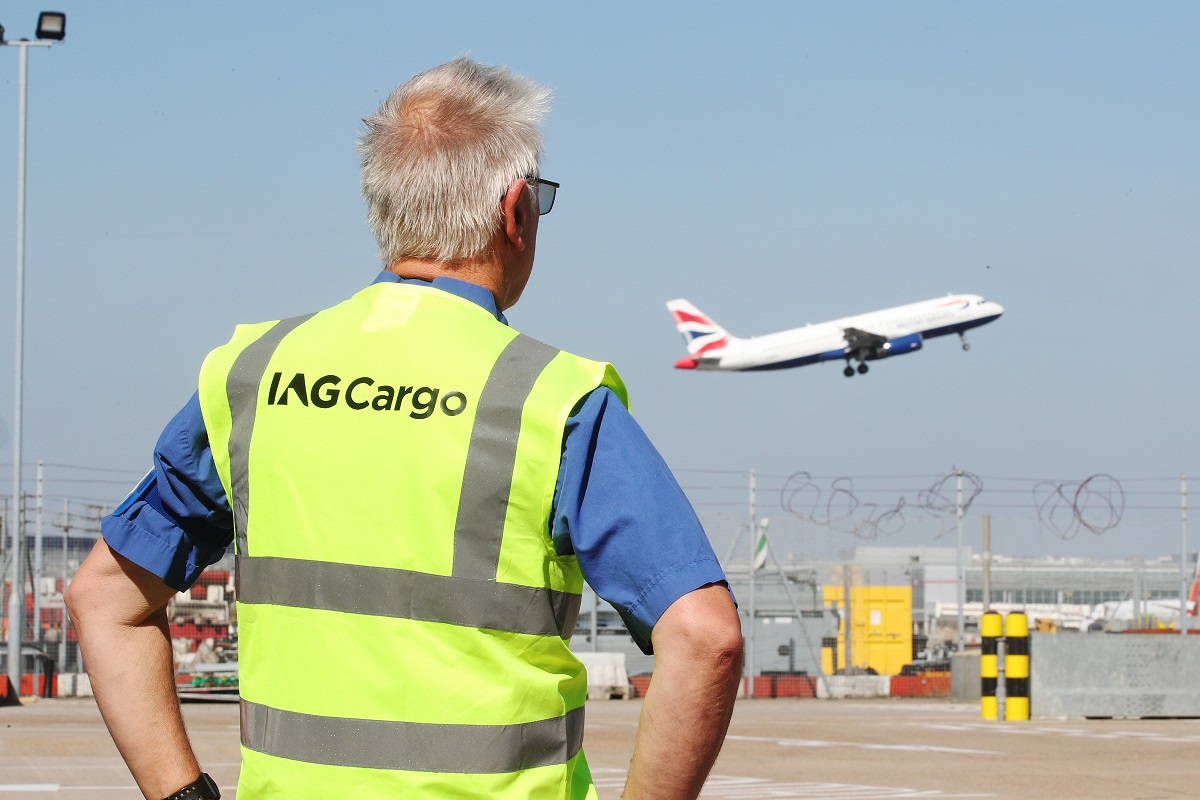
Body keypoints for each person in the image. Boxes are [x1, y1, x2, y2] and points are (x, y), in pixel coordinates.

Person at [66, 57, 743, 800]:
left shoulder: (253, 375)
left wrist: (182, 793)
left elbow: (106, 600)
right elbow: (704, 636)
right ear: (514, 210)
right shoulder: (552, 400)